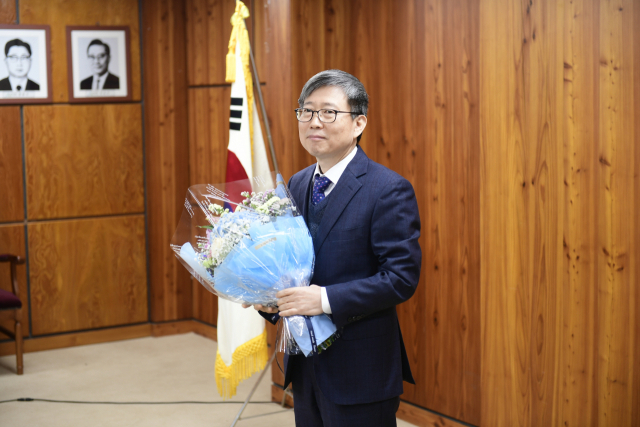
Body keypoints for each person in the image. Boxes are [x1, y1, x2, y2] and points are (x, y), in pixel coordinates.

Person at [245, 69, 422, 426]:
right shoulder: (296, 183)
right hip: (306, 367)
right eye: (306, 111)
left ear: (359, 123)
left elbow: (400, 278)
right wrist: (271, 298)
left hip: (360, 368)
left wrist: (323, 299)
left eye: (328, 112)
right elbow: (291, 264)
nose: (314, 122)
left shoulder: (387, 189)